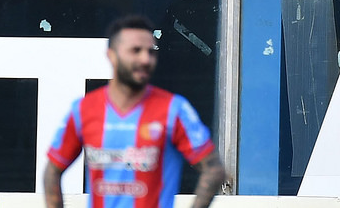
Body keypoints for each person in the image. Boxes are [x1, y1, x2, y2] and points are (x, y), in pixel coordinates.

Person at [44, 14, 224, 208]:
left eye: (151, 52)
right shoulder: (83, 110)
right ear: (111, 55)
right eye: (135, 51)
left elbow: (214, 169)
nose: (146, 59)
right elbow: (52, 171)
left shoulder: (174, 109)